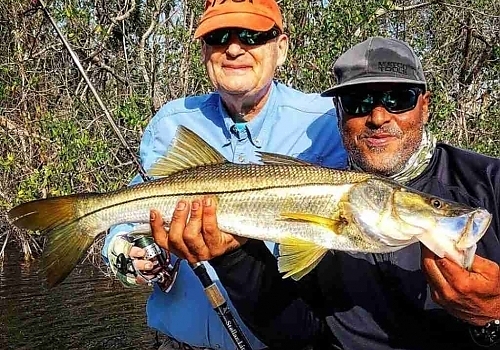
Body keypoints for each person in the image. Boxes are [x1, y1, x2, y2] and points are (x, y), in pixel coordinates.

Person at [153, 37, 500, 350]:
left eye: (399, 98)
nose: (378, 116)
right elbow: (298, 336)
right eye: (357, 102)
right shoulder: (329, 189)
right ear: (338, 113)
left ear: (424, 105)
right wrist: (232, 258)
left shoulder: (490, 182)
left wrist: (495, 313)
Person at [101, 0, 347, 349]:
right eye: (218, 37)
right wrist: (130, 255)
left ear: (281, 47)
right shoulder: (172, 122)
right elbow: (127, 220)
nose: (233, 48)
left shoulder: (327, 121)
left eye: (252, 35)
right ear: (204, 51)